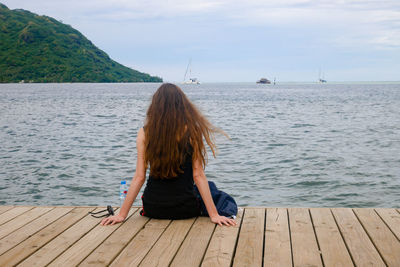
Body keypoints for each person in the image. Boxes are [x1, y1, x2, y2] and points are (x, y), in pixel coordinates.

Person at [100, 83, 236, 227]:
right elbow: (198, 176)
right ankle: (228, 214)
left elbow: (139, 177)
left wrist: (121, 215)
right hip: (185, 209)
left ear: (155, 106)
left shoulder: (144, 133)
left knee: (207, 187)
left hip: (152, 208)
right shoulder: (192, 131)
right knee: (217, 192)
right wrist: (214, 215)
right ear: (182, 105)